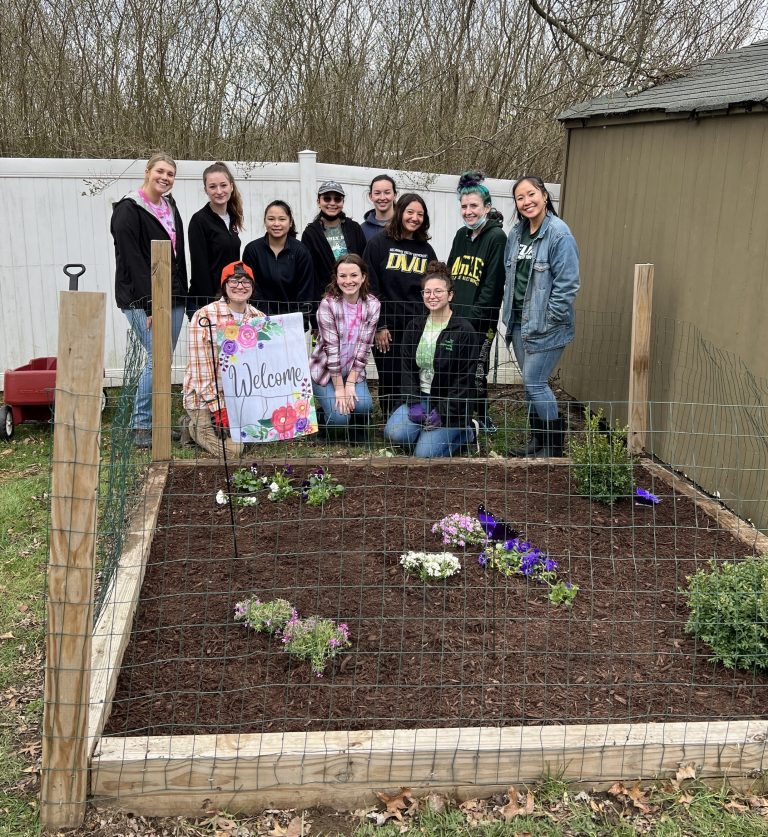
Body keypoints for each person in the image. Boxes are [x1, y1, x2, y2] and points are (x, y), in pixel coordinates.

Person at [111, 152, 188, 448]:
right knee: (158, 359)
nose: (165, 177)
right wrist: (149, 303)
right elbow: (131, 260)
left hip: (175, 295)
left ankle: (157, 424)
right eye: (160, 171)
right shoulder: (128, 210)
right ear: (147, 171)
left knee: (163, 359)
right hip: (141, 299)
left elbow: (177, 255)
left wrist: (183, 291)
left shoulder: (170, 206)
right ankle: (142, 426)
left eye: (170, 173)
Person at [502, 175, 580, 457]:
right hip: (519, 321)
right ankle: (538, 441)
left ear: (544, 196)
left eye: (531, 194)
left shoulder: (559, 234)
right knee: (530, 386)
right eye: (520, 198)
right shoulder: (516, 234)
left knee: (535, 382)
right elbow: (510, 276)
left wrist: (549, 319)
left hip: (547, 325)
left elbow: (567, 284)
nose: (526, 201)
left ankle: (554, 448)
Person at [383, 261, 478, 458]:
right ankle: (425, 432)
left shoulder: (463, 331)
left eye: (438, 291)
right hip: (422, 398)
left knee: (424, 455)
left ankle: (467, 432)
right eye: (427, 292)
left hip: (451, 404)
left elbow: (464, 380)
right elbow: (407, 370)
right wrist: (413, 401)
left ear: (450, 295)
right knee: (394, 434)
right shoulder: (415, 327)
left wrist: (443, 411)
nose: (432, 296)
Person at [363, 193, 437, 416]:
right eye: (410, 212)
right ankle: (389, 419)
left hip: (417, 324)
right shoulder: (378, 244)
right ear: (399, 212)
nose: (414, 218)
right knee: (390, 374)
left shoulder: (426, 249)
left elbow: (433, 288)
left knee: (414, 373)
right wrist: (380, 325)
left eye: (420, 214)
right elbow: (370, 287)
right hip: (387, 325)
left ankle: (411, 418)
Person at [183, 261, 266, 458]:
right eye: (234, 281)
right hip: (205, 397)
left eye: (246, 281)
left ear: (252, 287)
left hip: (242, 397)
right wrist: (219, 408)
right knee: (233, 451)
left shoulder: (259, 317)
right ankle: (193, 427)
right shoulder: (204, 316)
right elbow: (200, 371)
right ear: (224, 285)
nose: (240, 286)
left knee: (260, 437)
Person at [447, 170, 507, 435]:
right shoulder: (461, 236)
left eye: (474, 206)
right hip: (454, 318)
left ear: (487, 207)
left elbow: (492, 286)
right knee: (451, 366)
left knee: (476, 370)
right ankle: (456, 415)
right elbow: (450, 275)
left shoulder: (496, 238)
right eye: (464, 206)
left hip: (480, 322)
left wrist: (471, 322)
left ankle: (481, 417)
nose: (468, 211)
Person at [309, 254, 380, 442]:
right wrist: (340, 389)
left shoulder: (372, 305)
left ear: (363, 277)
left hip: (352, 372)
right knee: (340, 417)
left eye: (354, 275)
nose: (348, 281)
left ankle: (357, 428)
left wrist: (350, 383)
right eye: (343, 276)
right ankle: (323, 420)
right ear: (336, 278)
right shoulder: (328, 305)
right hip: (325, 371)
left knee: (364, 405)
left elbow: (365, 347)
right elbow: (331, 351)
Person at [242, 200, 314, 322]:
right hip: (259, 319)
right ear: (265, 221)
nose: (276, 224)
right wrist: (263, 318)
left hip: (292, 320)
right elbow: (251, 288)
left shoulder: (301, 251)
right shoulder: (252, 250)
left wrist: (301, 321)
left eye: (282, 219)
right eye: (271, 219)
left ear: (290, 222)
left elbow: (305, 291)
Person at [186, 162, 244, 316]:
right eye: (212, 187)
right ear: (206, 190)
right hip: (206, 304)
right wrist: (212, 306)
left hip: (229, 300)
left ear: (231, 186)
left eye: (223, 185)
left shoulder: (232, 218)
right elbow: (200, 269)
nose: (219, 191)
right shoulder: (199, 221)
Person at [301, 181, 367, 300]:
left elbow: (364, 262)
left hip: (355, 295)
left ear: (342, 202)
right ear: (318, 202)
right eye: (327, 199)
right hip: (326, 298)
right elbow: (311, 272)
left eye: (337, 199)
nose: (332, 203)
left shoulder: (354, 228)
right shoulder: (310, 233)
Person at [361, 174, 397, 241]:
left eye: (387, 193)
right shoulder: (362, 229)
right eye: (377, 193)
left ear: (394, 195)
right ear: (370, 196)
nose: (382, 198)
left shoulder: (403, 225)